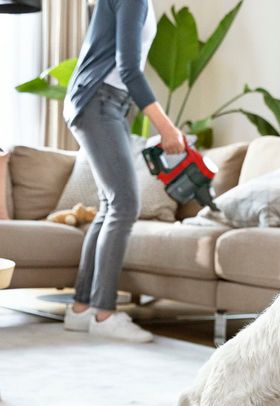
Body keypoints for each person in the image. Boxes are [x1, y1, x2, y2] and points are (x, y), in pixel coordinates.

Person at [62, 0, 185, 343]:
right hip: (99, 99)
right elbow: (128, 68)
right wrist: (166, 127)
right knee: (124, 204)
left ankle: (82, 309)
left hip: (106, 101)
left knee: (110, 206)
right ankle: (104, 314)